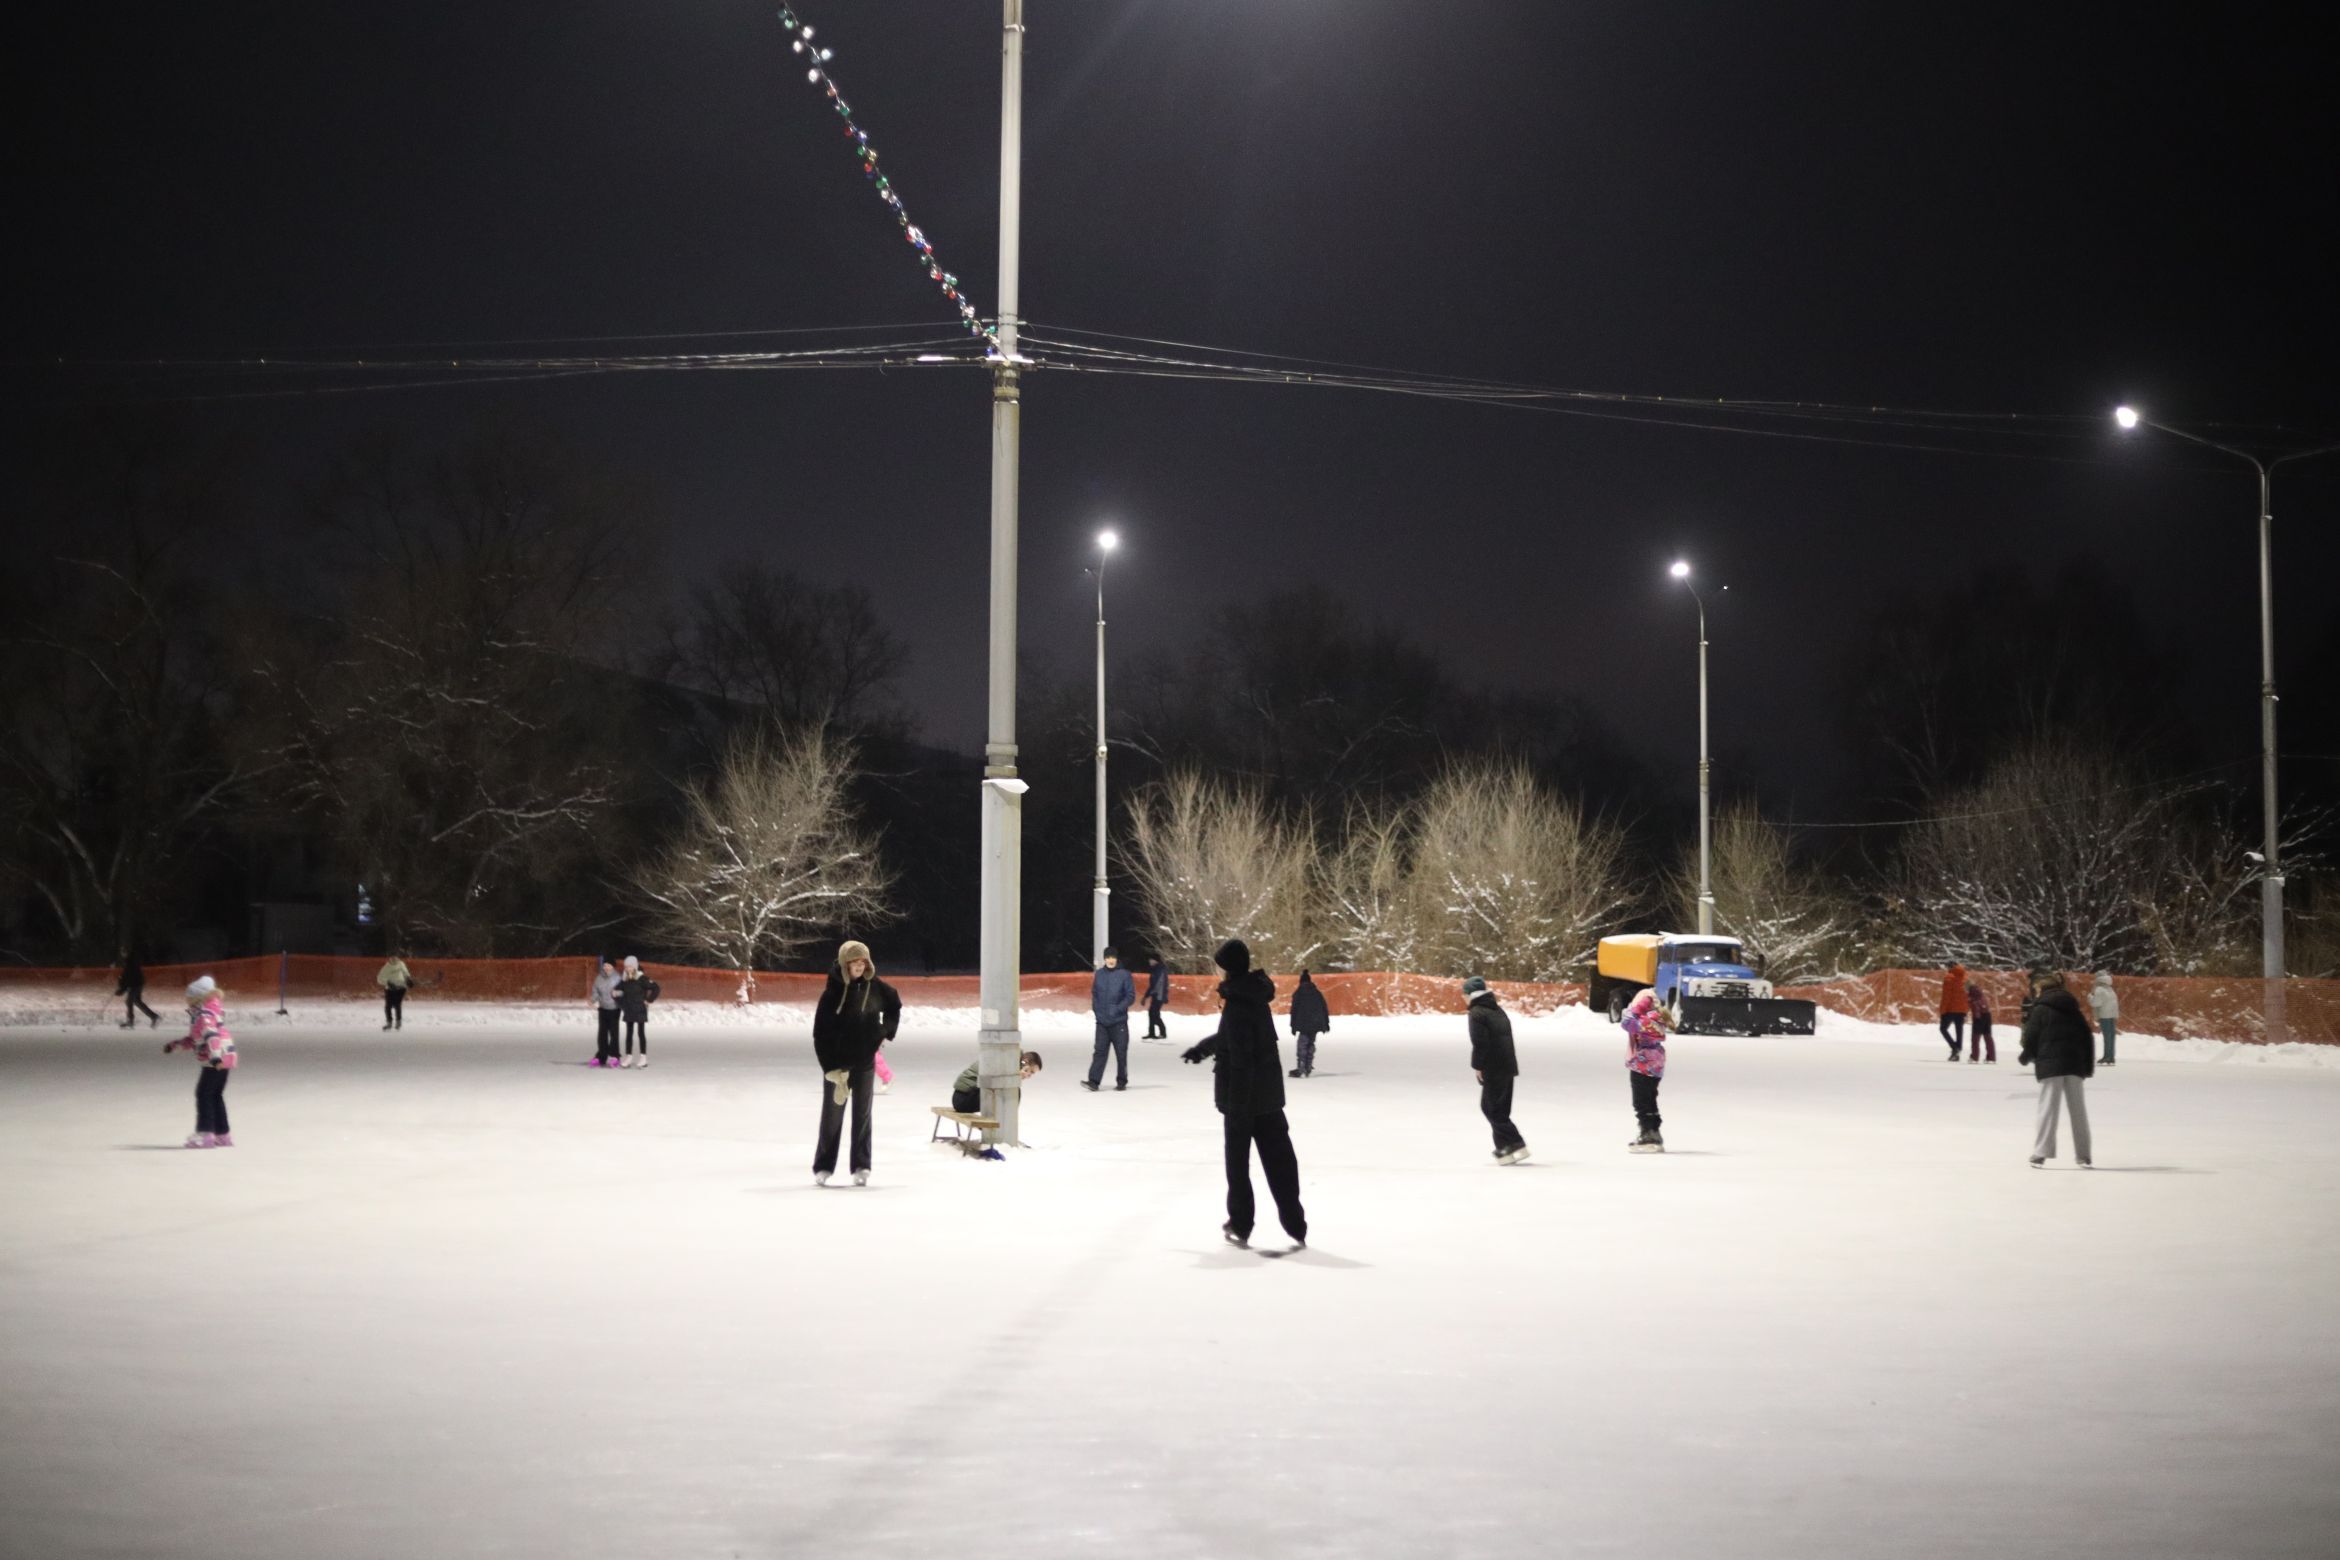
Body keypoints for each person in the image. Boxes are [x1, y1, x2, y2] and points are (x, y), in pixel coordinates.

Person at [1182, 939, 1307, 1250]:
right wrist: (1204, 1049)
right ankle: (1295, 1223)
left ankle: (1240, 1223)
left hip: (1243, 1102)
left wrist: (1237, 1107)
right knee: (1280, 1161)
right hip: (1268, 1098)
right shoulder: (1253, 997)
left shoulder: (1237, 1004)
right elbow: (1232, 1037)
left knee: (1238, 1167)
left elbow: (1241, 1060)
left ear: (1226, 969)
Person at [812, 940, 900, 1185]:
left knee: (862, 1115)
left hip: (864, 1063)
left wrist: (884, 1031)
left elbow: (894, 1004)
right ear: (845, 964)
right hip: (838, 1066)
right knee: (832, 1116)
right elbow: (820, 1034)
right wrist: (829, 1068)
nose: (859, 967)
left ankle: (861, 1165)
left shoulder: (876, 988)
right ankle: (824, 1166)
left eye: (863, 962)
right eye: (854, 962)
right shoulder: (832, 994)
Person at [2019, 970, 2095, 1168]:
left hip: (2051, 1064)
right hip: (2074, 1064)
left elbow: (2031, 1036)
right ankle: (2084, 1155)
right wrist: (2086, 1066)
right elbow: (2087, 1038)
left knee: (2048, 1109)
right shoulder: (2074, 1009)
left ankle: (2040, 1153)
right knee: (2078, 1110)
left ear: (2041, 989)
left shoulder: (2041, 1009)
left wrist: (2026, 1056)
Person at [164, 974, 237, 1148]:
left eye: (189, 1000)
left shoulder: (204, 1014)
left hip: (216, 1058)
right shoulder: (210, 1012)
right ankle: (222, 1133)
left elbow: (211, 1036)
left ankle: (206, 1134)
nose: (188, 1004)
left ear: (197, 999)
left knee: (203, 1094)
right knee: (215, 1095)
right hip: (225, 1057)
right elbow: (195, 1039)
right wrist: (176, 1045)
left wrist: (215, 1057)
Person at [1464, 976, 1528, 1164]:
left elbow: (1480, 1043)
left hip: (1494, 1066)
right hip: (1507, 1065)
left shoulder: (1476, 1012)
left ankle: (1516, 1142)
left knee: (1490, 1108)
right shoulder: (1496, 1009)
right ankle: (1504, 1148)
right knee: (1499, 1109)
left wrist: (1478, 1066)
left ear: (1470, 995)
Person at [1623, 987, 1671, 1153]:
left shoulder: (1649, 1019)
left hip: (1644, 1064)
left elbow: (1627, 1023)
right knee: (1649, 1098)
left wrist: (1637, 1009)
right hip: (1654, 1063)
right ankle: (1652, 1130)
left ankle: (1649, 1133)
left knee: (1641, 1100)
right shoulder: (1656, 1018)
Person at [1083, 945, 1136, 1092]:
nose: (1110, 960)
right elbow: (1095, 994)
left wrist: (1118, 1009)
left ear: (1116, 959)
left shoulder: (1125, 975)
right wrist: (1097, 1011)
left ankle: (1121, 1081)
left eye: (1113, 957)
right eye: (1108, 957)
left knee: (1121, 1052)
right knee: (1099, 1052)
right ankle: (1093, 1081)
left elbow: (1130, 996)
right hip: (1102, 1022)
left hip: (1119, 1022)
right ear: (1104, 959)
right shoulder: (1099, 974)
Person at [951, 1051, 1042, 1114]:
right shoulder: (1007, 1061)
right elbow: (990, 1081)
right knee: (1014, 1090)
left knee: (1011, 1089)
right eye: (1030, 1071)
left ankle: (1004, 1124)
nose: (1028, 1076)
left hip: (966, 1096)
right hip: (963, 1098)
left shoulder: (1009, 1059)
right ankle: (1005, 1125)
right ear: (1025, 1062)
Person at [615, 956, 660, 1067]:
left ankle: (643, 1057)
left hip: (640, 1010)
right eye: (626, 967)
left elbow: (656, 988)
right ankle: (629, 1056)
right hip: (629, 1010)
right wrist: (622, 1003)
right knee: (629, 1034)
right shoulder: (624, 980)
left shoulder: (642, 978)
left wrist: (649, 1000)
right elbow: (616, 992)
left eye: (630, 966)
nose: (628, 968)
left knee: (641, 1033)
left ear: (635, 967)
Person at [1288, 969, 1330, 1079]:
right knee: (1311, 1043)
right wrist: (1326, 1023)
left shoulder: (1298, 993)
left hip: (1303, 1024)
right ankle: (1308, 1066)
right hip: (1315, 1024)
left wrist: (1293, 1026)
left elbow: (1294, 1011)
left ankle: (1301, 1067)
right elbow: (1323, 1009)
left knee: (1302, 1044)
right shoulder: (1317, 993)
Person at [588, 959, 622, 1066]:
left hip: (614, 1009)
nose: (606, 967)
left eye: (609, 965)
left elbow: (624, 991)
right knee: (602, 1034)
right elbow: (596, 991)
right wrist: (592, 1000)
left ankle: (615, 1056)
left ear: (613, 967)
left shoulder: (617, 978)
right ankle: (601, 1056)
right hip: (602, 1008)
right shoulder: (599, 978)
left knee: (613, 1034)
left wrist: (618, 993)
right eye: (605, 965)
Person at [115, 954, 160, 1029]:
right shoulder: (128, 963)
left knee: (129, 1001)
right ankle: (154, 1016)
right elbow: (124, 977)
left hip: (136, 984)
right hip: (136, 984)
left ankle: (130, 1021)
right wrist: (121, 986)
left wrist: (122, 989)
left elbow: (128, 979)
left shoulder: (130, 964)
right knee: (136, 1001)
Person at [1938, 962, 1969, 1061]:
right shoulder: (1966, 978)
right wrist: (1966, 1009)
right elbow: (1968, 994)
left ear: (1950, 967)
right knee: (1959, 1030)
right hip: (1962, 1009)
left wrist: (1943, 1010)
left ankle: (1954, 1048)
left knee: (1943, 1029)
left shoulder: (1948, 978)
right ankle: (1958, 1050)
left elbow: (1946, 996)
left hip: (1951, 1008)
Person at [2089, 972, 2120, 1066]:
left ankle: (2106, 1057)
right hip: (2112, 1015)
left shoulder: (2099, 989)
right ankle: (2111, 1057)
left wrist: (2090, 997)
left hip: (2104, 1015)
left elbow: (2095, 1003)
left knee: (2107, 1037)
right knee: (2111, 1037)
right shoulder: (2110, 989)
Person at [377, 952, 412, 1032]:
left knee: (397, 1004)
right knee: (388, 1006)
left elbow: (406, 973)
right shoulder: (386, 967)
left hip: (401, 988)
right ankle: (389, 1022)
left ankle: (398, 1022)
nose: (394, 959)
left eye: (396, 957)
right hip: (390, 989)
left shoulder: (401, 964)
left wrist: (408, 979)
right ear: (389, 958)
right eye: (392, 958)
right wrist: (388, 983)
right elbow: (379, 979)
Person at [1966, 977, 1996, 1064]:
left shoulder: (1972, 993)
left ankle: (1974, 1057)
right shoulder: (1979, 992)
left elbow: (1975, 1006)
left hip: (1979, 1016)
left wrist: (1976, 1018)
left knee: (1975, 1038)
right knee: (1987, 1036)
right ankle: (1991, 1057)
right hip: (1987, 1015)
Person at [1143, 953, 1172, 1041]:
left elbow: (1158, 984)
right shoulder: (1155, 970)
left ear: (1155, 960)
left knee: (1154, 1014)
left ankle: (1163, 1033)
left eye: (1151, 960)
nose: (1149, 961)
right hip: (1156, 995)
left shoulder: (1160, 969)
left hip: (1159, 996)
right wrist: (1146, 996)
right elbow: (1152, 985)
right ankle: (1152, 1033)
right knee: (1152, 1013)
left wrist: (1149, 995)